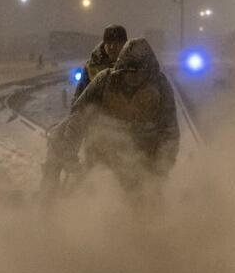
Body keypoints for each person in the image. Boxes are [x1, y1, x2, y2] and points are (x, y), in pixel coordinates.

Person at [43, 38, 179, 194]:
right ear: (121, 68)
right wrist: (70, 153)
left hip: (145, 155)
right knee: (87, 191)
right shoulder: (104, 81)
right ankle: (48, 199)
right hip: (104, 151)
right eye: (129, 73)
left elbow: (170, 129)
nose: (133, 79)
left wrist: (164, 165)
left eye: (139, 74)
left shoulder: (161, 85)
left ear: (148, 72)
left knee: (147, 201)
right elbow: (79, 115)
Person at [72, 24, 128, 104]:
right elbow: (79, 99)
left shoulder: (134, 65)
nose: (112, 47)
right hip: (98, 115)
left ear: (124, 44)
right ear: (104, 45)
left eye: (117, 43)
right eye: (108, 43)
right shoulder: (91, 67)